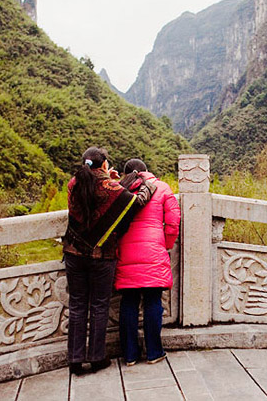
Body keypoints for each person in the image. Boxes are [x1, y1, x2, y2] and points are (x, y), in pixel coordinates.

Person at [63, 147, 156, 376]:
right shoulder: (109, 187)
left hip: (73, 252)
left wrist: (114, 181)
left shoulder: (74, 183)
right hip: (101, 255)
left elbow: (93, 199)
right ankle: (96, 357)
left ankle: (75, 358)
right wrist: (148, 185)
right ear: (104, 164)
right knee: (98, 305)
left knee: (77, 305)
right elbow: (134, 202)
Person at [115, 158, 181, 366]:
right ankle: (154, 352)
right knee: (153, 301)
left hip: (125, 251)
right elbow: (172, 222)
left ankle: (130, 355)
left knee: (129, 302)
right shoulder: (161, 188)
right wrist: (166, 244)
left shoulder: (118, 190)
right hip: (153, 251)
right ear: (146, 171)